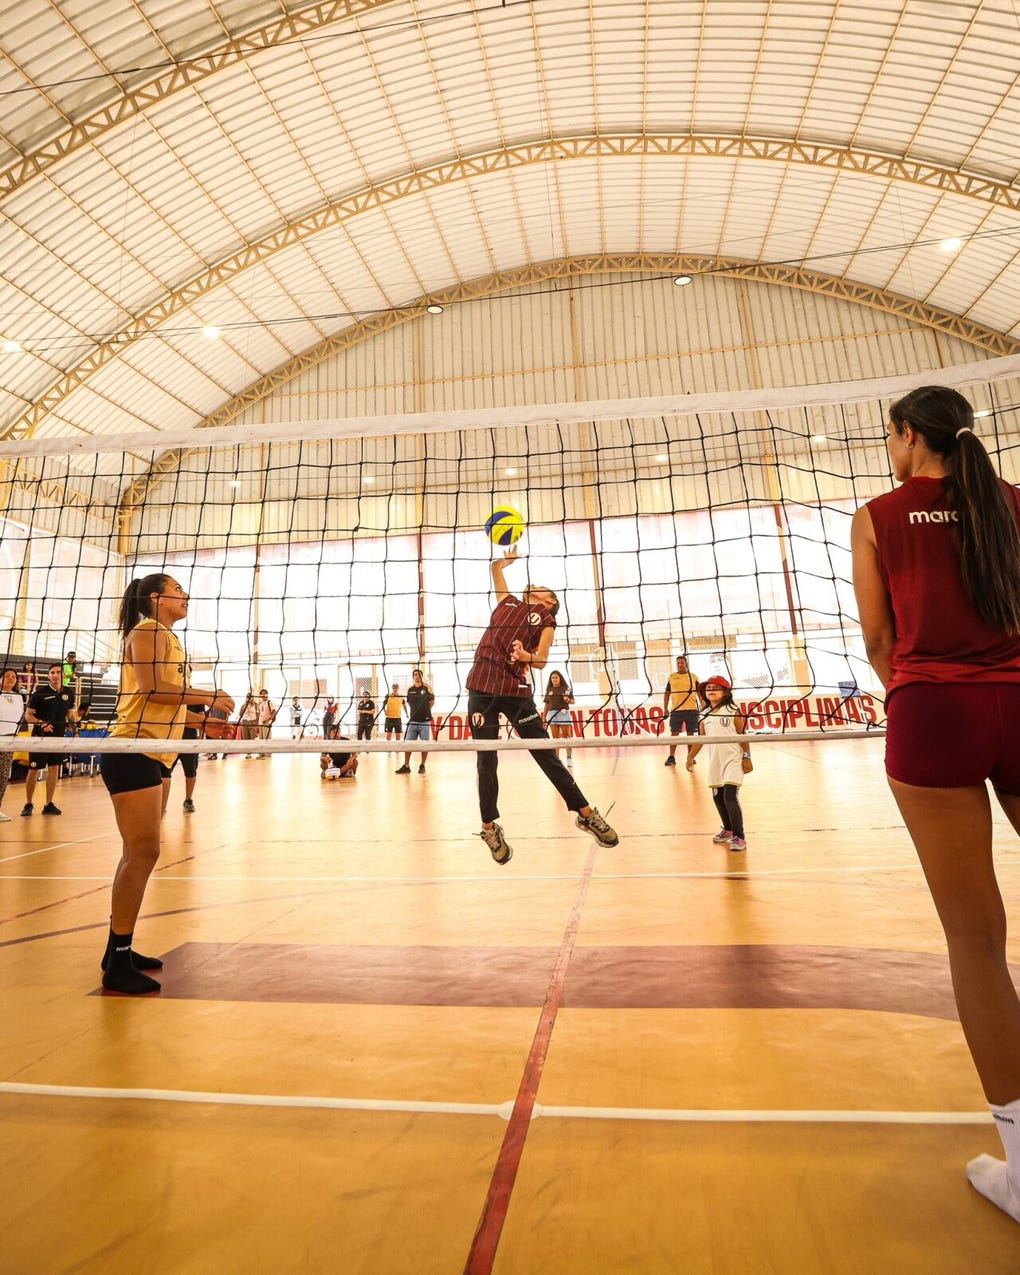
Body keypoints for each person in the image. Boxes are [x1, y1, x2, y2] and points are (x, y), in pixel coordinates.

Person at [851, 384, 1020, 1224]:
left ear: (911, 436)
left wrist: (920, 692)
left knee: (976, 939)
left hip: (933, 716)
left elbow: (879, 642)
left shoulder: (879, 515)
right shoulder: (1013, 503)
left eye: (891, 436)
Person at [99, 573, 233, 994]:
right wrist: (207, 696)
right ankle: (118, 962)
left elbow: (161, 704)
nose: (186, 596)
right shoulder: (147, 631)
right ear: (156, 599)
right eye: (178, 591)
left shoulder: (167, 637)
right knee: (144, 853)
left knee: (135, 853)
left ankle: (116, 949)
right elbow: (153, 689)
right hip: (131, 751)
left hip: (155, 753)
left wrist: (201, 721)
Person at [466, 546, 618, 863]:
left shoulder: (546, 617)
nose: (535, 586)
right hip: (481, 684)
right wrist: (502, 562)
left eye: (543, 589)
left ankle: (585, 812)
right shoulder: (508, 601)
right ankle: (489, 827)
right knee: (486, 759)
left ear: (549, 601)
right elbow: (495, 571)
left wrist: (525, 656)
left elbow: (543, 659)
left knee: (545, 753)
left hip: (515, 689)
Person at [685, 676, 752, 851]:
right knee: (717, 797)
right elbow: (700, 739)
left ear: (725, 692)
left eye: (716, 687)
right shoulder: (704, 715)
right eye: (708, 688)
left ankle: (739, 837)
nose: (711, 690)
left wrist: (747, 756)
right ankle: (728, 829)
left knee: (729, 796)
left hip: (733, 760)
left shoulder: (732, 710)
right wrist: (690, 756)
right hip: (715, 762)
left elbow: (742, 735)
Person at [23, 662, 77, 815]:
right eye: (52, 672)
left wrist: (74, 729)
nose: (55, 675)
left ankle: (49, 804)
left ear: (62, 675)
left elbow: (70, 714)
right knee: (34, 769)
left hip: (58, 738)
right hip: (40, 737)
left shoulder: (68, 693)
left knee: (54, 769)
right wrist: (42, 723)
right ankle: (28, 804)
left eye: (58, 672)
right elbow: (28, 715)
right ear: (48, 675)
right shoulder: (40, 692)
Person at [663, 654, 701, 767]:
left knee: (691, 734)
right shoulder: (671, 677)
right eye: (678, 663)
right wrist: (665, 708)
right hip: (676, 710)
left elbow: (699, 692)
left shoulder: (693, 676)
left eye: (682, 662)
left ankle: (690, 756)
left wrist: (703, 704)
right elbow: (667, 694)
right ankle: (671, 756)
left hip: (692, 709)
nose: (680, 664)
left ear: (686, 664)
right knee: (674, 733)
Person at [396, 669, 434, 774]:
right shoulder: (410, 689)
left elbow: (432, 702)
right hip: (413, 721)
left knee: (425, 744)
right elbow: (409, 703)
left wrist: (424, 711)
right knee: (408, 744)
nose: (417, 676)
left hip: (425, 722)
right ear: (413, 677)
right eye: (415, 675)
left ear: (422, 676)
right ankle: (406, 766)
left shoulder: (427, 688)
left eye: (419, 675)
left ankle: (422, 765)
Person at [0, 666, 25, 821]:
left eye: (13, 677)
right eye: (7, 675)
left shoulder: (18, 697)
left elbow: (19, 718)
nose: (10, 678)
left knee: (3, 775)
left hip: (9, 740)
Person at [175, 705, 204, 812]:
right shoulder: (173, 695)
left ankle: (188, 800)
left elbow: (202, 717)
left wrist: (200, 738)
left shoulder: (196, 698)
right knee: (164, 774)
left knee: (191, 773)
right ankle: (161, 803)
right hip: (172, 741)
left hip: (190, 742)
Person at [543, 669, 574, 765]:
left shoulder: (566, 688)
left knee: (566, 736)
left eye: (556, 677)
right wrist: (544, 717)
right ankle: (557, 760)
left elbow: (573, 701)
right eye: (552, 677)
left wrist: (567, 699)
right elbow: (547, 704)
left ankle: (569, 758)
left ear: (560, 678)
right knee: (555, 738)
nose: (554, 679)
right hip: (552, 715)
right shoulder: (549, 689)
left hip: (563, 713)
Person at [256, 687, 276, 756]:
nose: (263, 695)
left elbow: (274, 711)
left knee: (267, 738)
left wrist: (269, 720)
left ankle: (268, 753)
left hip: (266, 723)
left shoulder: (270, 702)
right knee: (261, 738)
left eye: (264, 694)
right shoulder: (260, 703)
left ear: (267, 694)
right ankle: (262, 753)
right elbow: (259, 713)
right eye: (262, 694)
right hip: (260, 723)